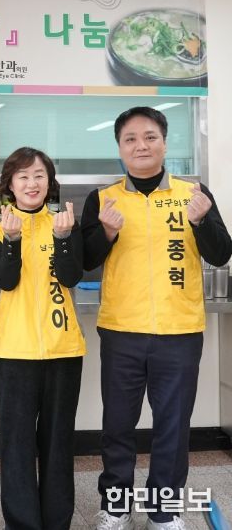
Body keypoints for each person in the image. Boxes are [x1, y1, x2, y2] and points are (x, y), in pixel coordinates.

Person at [82, 107, 232, 530]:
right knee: (117, 426)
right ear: (119, 147)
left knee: (173, 426)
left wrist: (200, 222)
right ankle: (115, 507)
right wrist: (106, 233)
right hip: (121, 330)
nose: (141, 146)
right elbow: (85, 261)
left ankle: (163, 511)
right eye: (130, 139)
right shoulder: (103, 198)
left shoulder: (193, 193)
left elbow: (221, 252)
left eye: (150, 137)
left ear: (165, 143)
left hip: (179, 331)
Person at [0, 147, 85, 530]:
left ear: (49, 182)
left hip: (63, 350)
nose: (32, 183)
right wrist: (12, 240)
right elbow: (6, 280)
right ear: (9, 185)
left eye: (39, 175)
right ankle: (23, 523)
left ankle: (57, 522)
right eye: (23, 176)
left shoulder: (65, 224)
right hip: (15, 353)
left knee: (58, 443)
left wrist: (63, 238)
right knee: (17, 444)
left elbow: (71, 276)